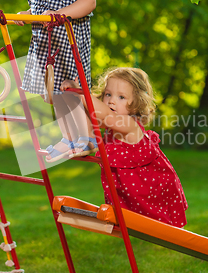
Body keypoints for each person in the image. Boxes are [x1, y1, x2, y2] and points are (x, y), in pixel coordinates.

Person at [15, 0, 96, 162]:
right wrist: (29, 15)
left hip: (68, 42)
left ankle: (85, 138)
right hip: (46, 44)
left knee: (69, 91)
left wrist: (60, 15)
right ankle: (68, 138)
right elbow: (40, 7)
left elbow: (88, 2)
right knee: (55, 95)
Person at [61, 67, 188, 228]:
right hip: (132, 193)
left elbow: (105, 115)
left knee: (159, 225)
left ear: (136, 104)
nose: (112, 101)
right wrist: (74, 91)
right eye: (108, 94)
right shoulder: (112, 125)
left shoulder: (129, 124)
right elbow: (91, 113)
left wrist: (81, 93)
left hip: (154, 191)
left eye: (121, 97)